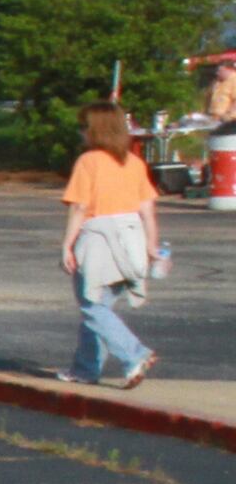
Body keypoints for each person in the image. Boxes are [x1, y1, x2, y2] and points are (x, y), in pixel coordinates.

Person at [59, 101, 161, 389]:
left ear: (95, 130)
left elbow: (79, 206)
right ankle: (85, 369)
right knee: (101, 309)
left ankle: (135, 354)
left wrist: (67, 244)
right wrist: (151, 246)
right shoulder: (134, 163)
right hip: (131, 240)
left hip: (98, 240)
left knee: (92, 306)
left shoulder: (88, 162)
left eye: (84, 126)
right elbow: (148, 210)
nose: (81, 132)